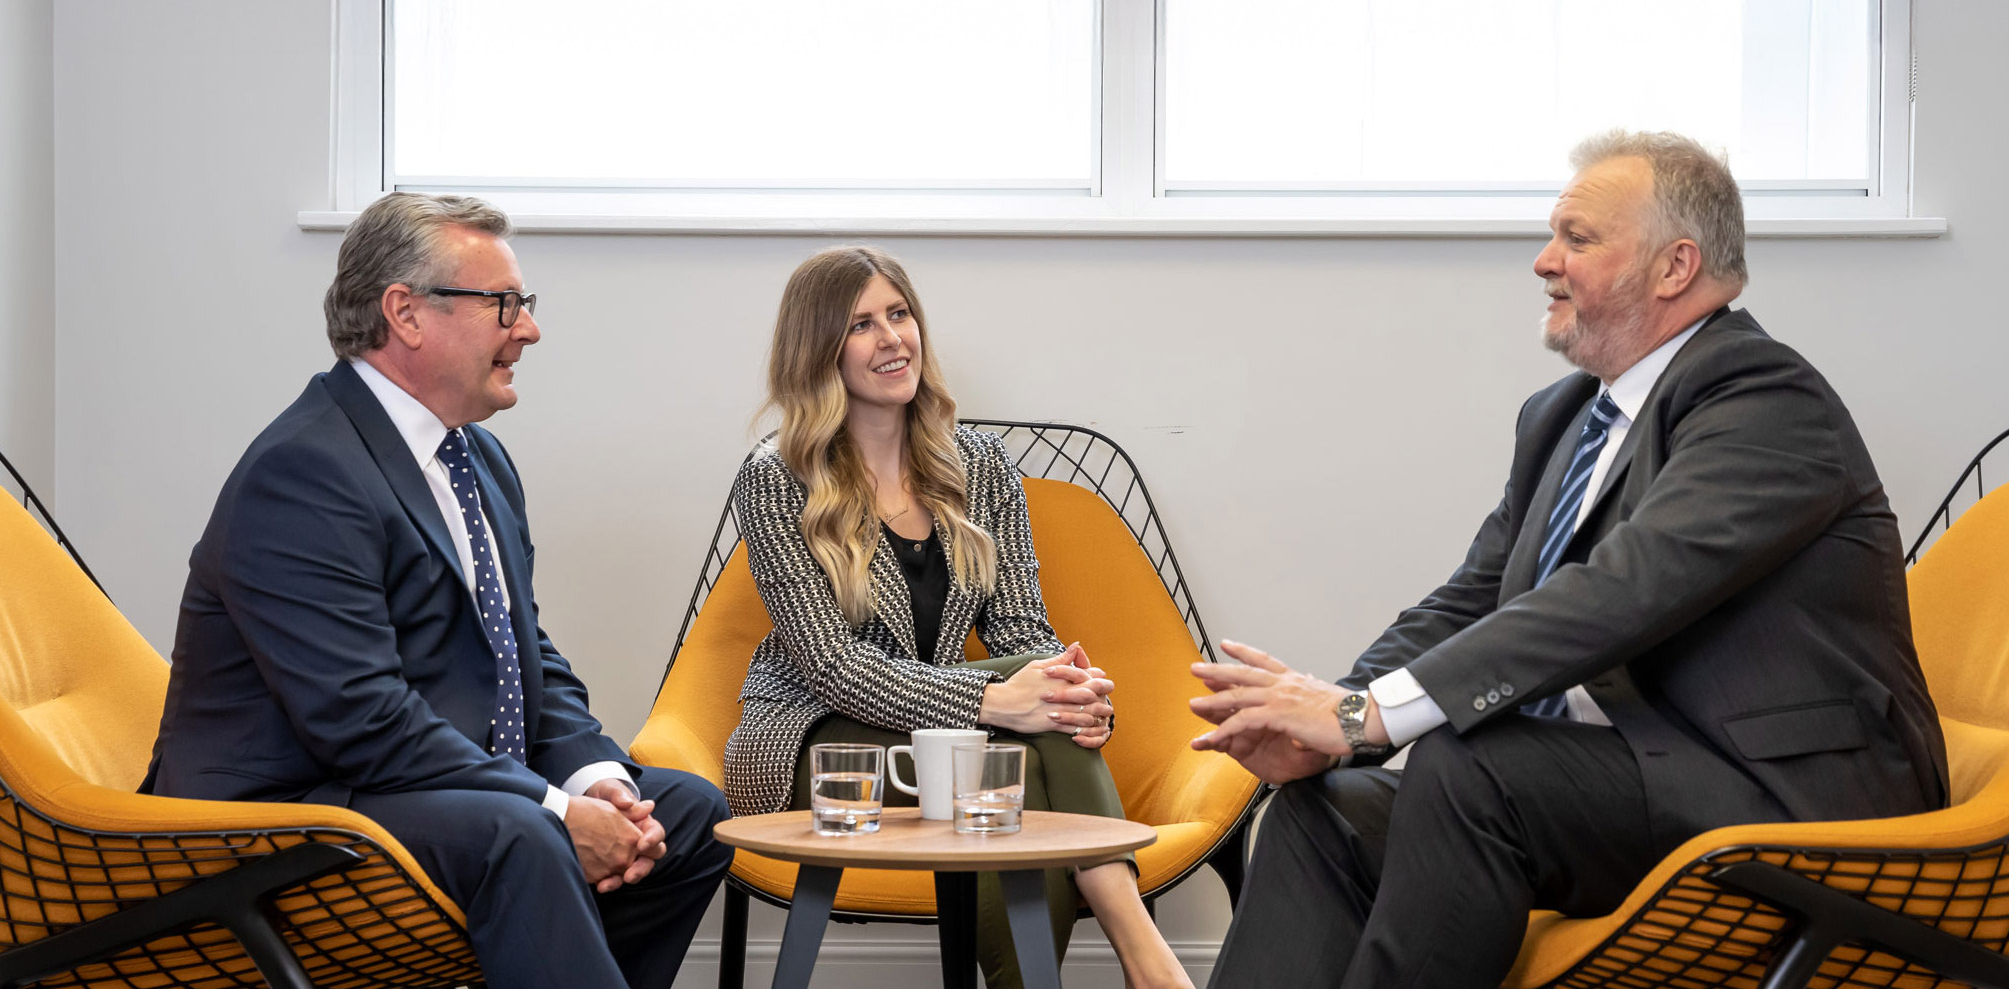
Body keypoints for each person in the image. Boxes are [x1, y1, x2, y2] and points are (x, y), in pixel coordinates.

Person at [1188, 131, 1948, 989]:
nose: (1544, 261)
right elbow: (1472, 599)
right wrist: (1333, 731)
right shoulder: (1561, 417)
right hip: (1639, 778)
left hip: (1789, 795)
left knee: (1471, 767)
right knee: (1321, 814)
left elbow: (1623, 590)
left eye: (1576, 239)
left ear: (1674, 267)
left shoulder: (1762, 397)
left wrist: (1365, 715)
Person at [143, 193, 729, 989]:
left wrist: (600, 785)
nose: (528, 329)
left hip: (418, 785)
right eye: (503, 304)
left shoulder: (476, 457)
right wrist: (560, 812)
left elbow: (521, 653)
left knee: (685, 813)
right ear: (406, 313)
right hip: (292, 811)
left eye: (524, 303)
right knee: (522, 832)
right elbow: (359, 720)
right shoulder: (303, 470)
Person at [723, 245, 1193, 989]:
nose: (892, 339)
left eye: (899, 314)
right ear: (818, 350)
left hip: (944, 734)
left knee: (1024, 722)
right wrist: (997, 702)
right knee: (1010, 749)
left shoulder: (977, 462)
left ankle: (1130, 962)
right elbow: (831, 667)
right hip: (819, 744)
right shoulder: (777, 477)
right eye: (861, 325)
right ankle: (1147, 958)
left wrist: (1071, 698)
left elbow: (1022, 631)